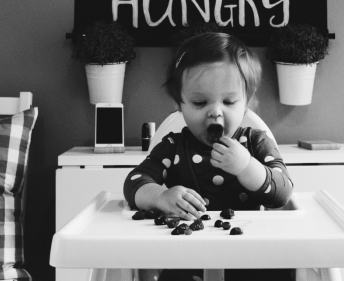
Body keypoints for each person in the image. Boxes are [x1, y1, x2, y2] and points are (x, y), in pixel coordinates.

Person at [123, 32, 293, 281]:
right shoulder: (172, 147)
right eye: (200, 102)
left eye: (229, 101)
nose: (215, 112)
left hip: (251, 260)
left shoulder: (256, 142)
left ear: (246, 102)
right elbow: (134, 182)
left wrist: (246, 166)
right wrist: (160, 197)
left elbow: (282, 193)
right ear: (179, 104)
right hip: (186, 259)